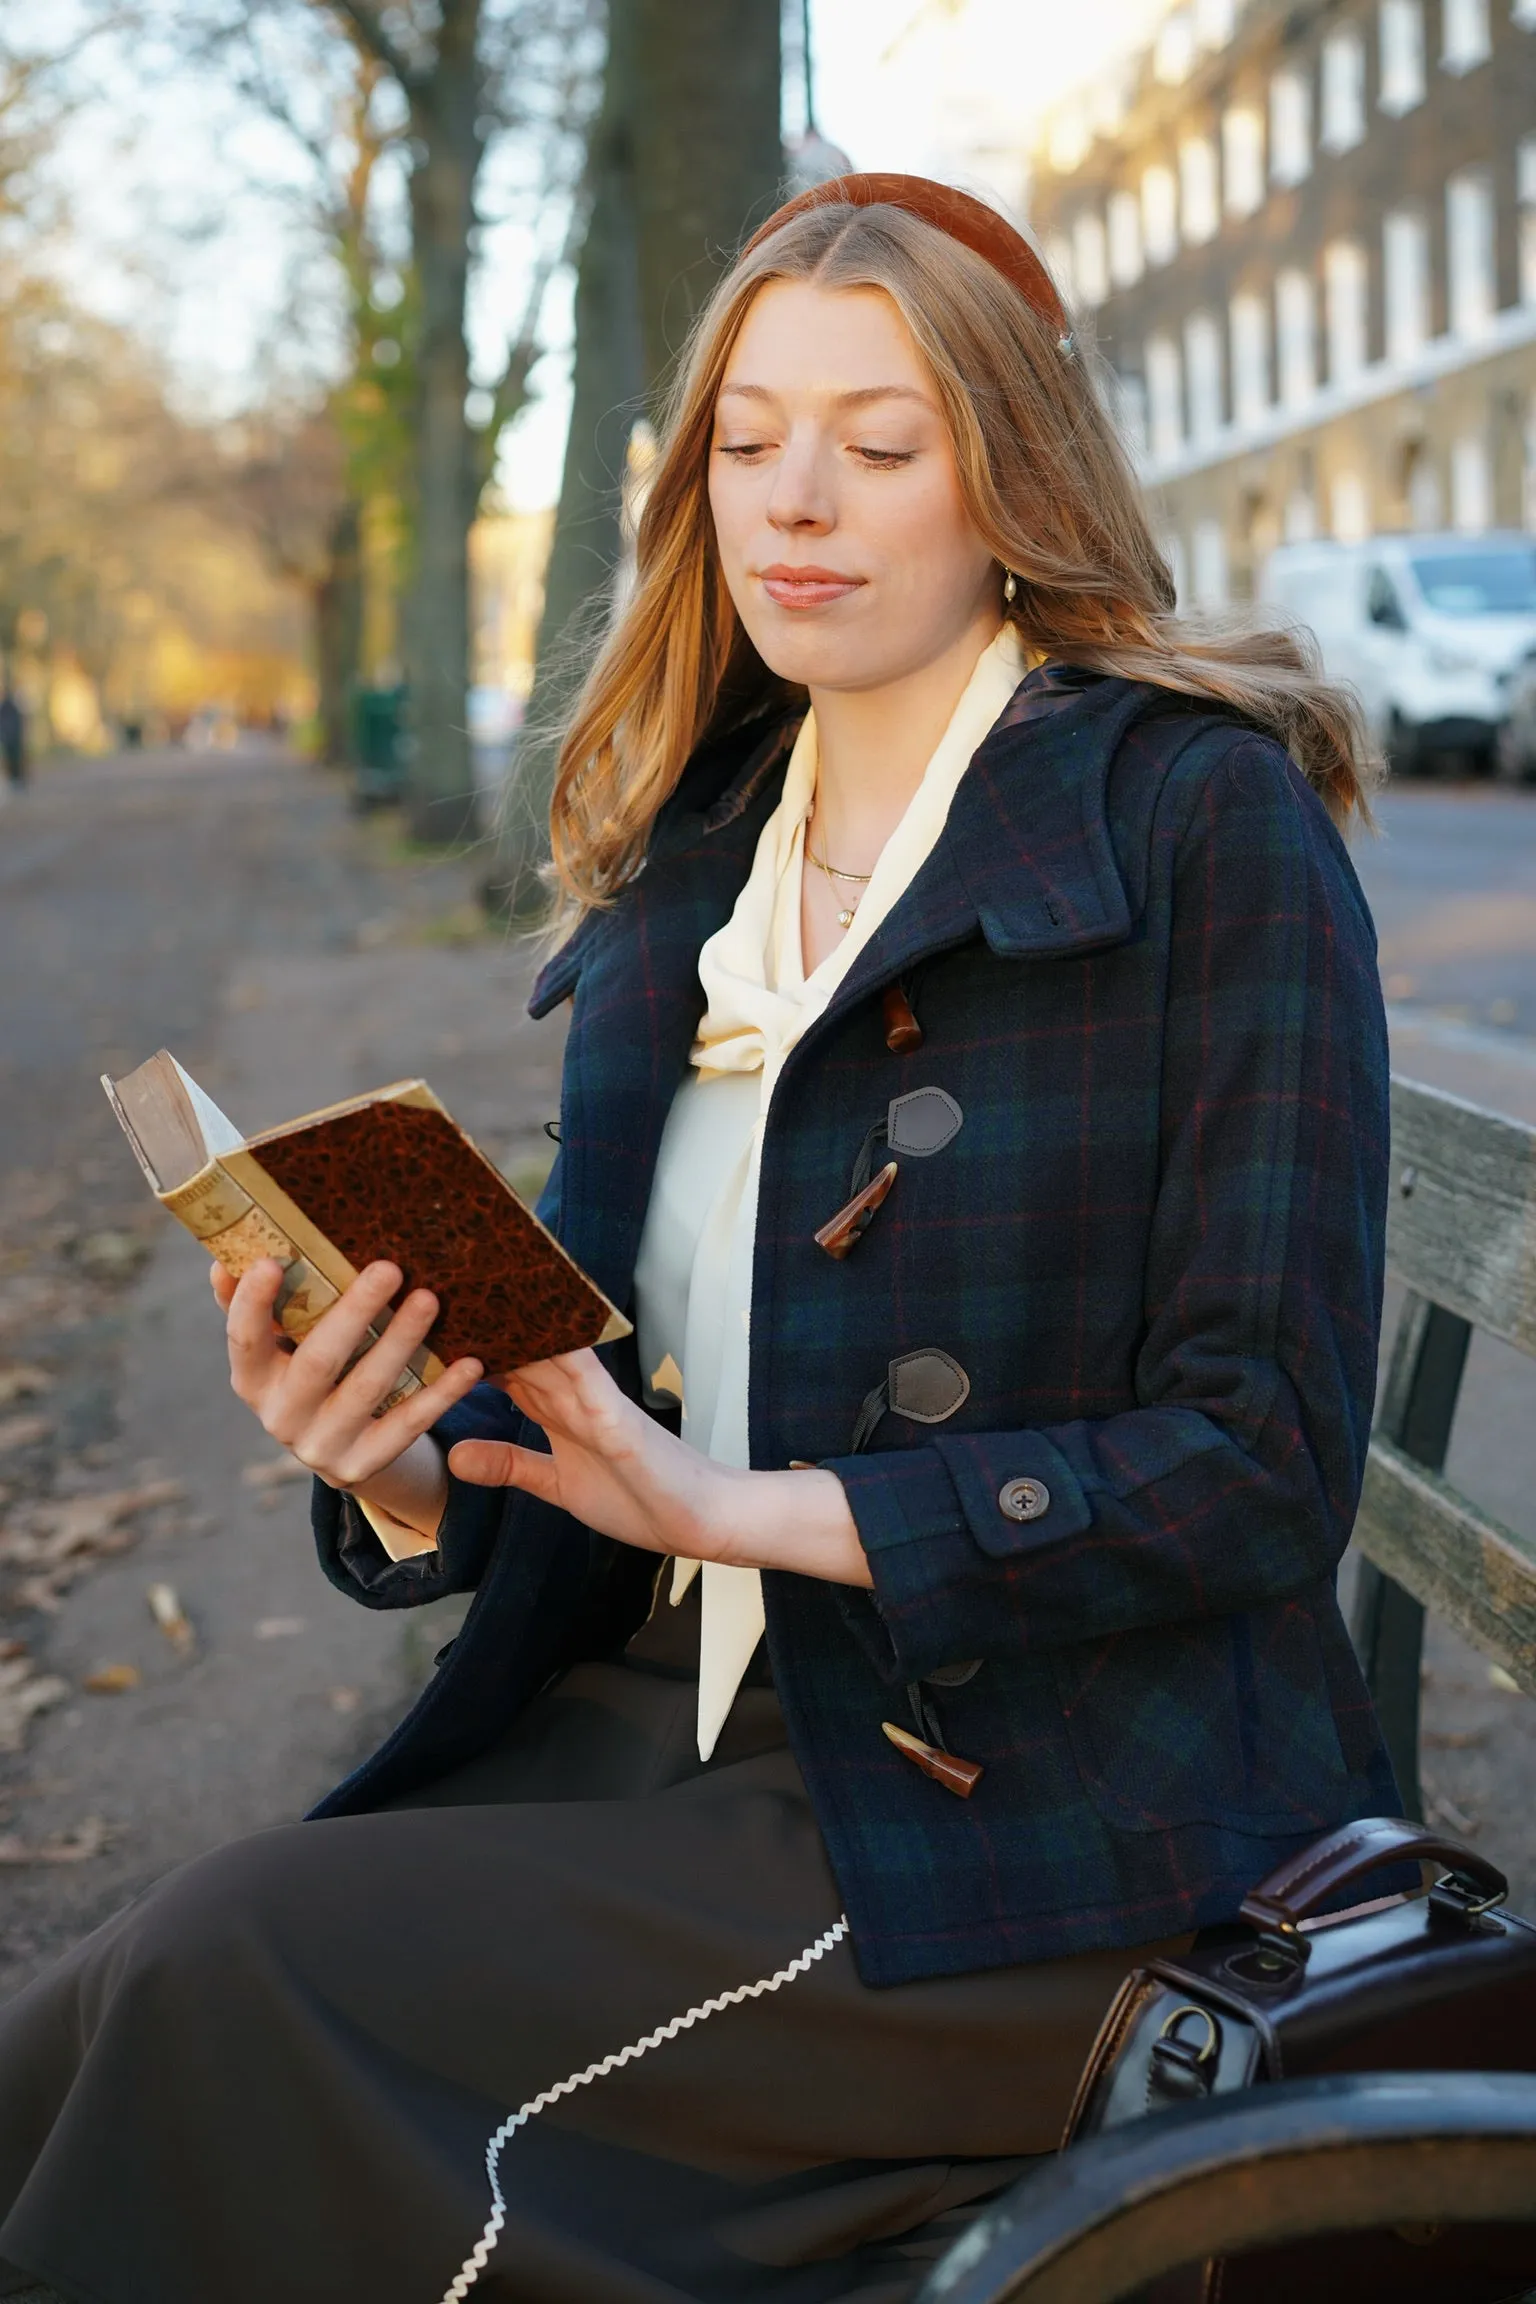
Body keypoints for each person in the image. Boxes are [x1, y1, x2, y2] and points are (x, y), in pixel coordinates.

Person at [0, 176, 1398, 2304]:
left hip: (1036, 1816)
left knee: (225, 1974)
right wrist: (387, 1464)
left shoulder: (1202, 819)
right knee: (71, 2031)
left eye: (879, 441)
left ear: (1009, 479)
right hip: (678, 1717)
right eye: (747, 444)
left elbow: (1264, 1461)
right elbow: (594, 1398)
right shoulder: (702, 854)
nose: (795, 503)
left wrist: (745, 1506)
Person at [0, 687, 24, 789]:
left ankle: (16, 779)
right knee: (12, 760)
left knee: (14, 760)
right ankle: (14, 779)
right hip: (11, 738)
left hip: (11, 738)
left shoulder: (10, 708)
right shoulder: (11, 708)